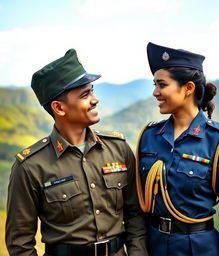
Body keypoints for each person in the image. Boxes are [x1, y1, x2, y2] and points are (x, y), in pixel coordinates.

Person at [5, 49, 148, 256]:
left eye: (92, 90)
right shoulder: (30, 166)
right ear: (59, 108)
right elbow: (20, 244)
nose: (95, 99)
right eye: (85, 94)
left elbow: (135, 216)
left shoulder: (118, 148)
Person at [135, 42, 219, 256]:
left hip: (198, 249)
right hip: (153, 247)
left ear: (188, 88)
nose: (155, 92)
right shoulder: (149, 136)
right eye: (154, 84)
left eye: (162, 85)